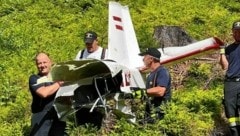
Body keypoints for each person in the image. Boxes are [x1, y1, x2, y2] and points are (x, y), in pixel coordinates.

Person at [74, 31, 107, 129]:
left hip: (98, 89)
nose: (89, 45)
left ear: (97, 41)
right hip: (82, 89)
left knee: (96, 116)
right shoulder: (81, 53)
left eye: (91, 43)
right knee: (81, 115)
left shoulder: (105, 53)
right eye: (87, 43)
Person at [28, 52, 67, 136]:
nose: (42, 65)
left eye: (44, 62)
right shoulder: (34, 79)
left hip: (58, 115)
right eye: (39, 63)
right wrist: (59, 83)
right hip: (41, 115)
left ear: (51, 62)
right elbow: (44, 93)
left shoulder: (58, 77)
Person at [138, 47, 171, 124]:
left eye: (145, 57)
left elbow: (160, 91)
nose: (143, 59)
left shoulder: (162, 71)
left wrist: (141, 92)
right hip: (151, 113)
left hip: (160, 114)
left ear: (151, 59)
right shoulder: (151, 74)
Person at [219, 21, 240, 136]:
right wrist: (222, 51)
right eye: (235, 31)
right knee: (231, 113)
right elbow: (224, 66)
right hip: (230, 84)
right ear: (232, 32)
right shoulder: (229, 48)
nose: (238, 33)